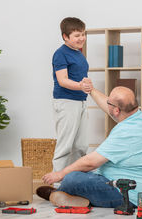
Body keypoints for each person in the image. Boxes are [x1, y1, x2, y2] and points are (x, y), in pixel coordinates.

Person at [39, 86, 142, 208]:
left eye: (109, 102)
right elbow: (109, 106)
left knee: (72, 178)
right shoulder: (140, 118)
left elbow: (90, 163)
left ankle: (57, 194)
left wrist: (60, 174)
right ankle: (71, 196)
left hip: (130, 196)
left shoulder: (126, 132)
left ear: (116, 110)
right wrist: (91, 89)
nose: (107, 103)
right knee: (79, 173)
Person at [51, 17, 92, 172]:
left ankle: (76, 180)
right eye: (77, 35)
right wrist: (81, 85)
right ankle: (57, 184)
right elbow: (62, 80)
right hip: (66, 102)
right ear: (65, 37)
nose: (81, 38)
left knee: (81, 145)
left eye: (83, 34)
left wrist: (85, 86)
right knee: (65, 146)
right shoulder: (60, 54)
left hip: (80, 101)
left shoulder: (79, 54)